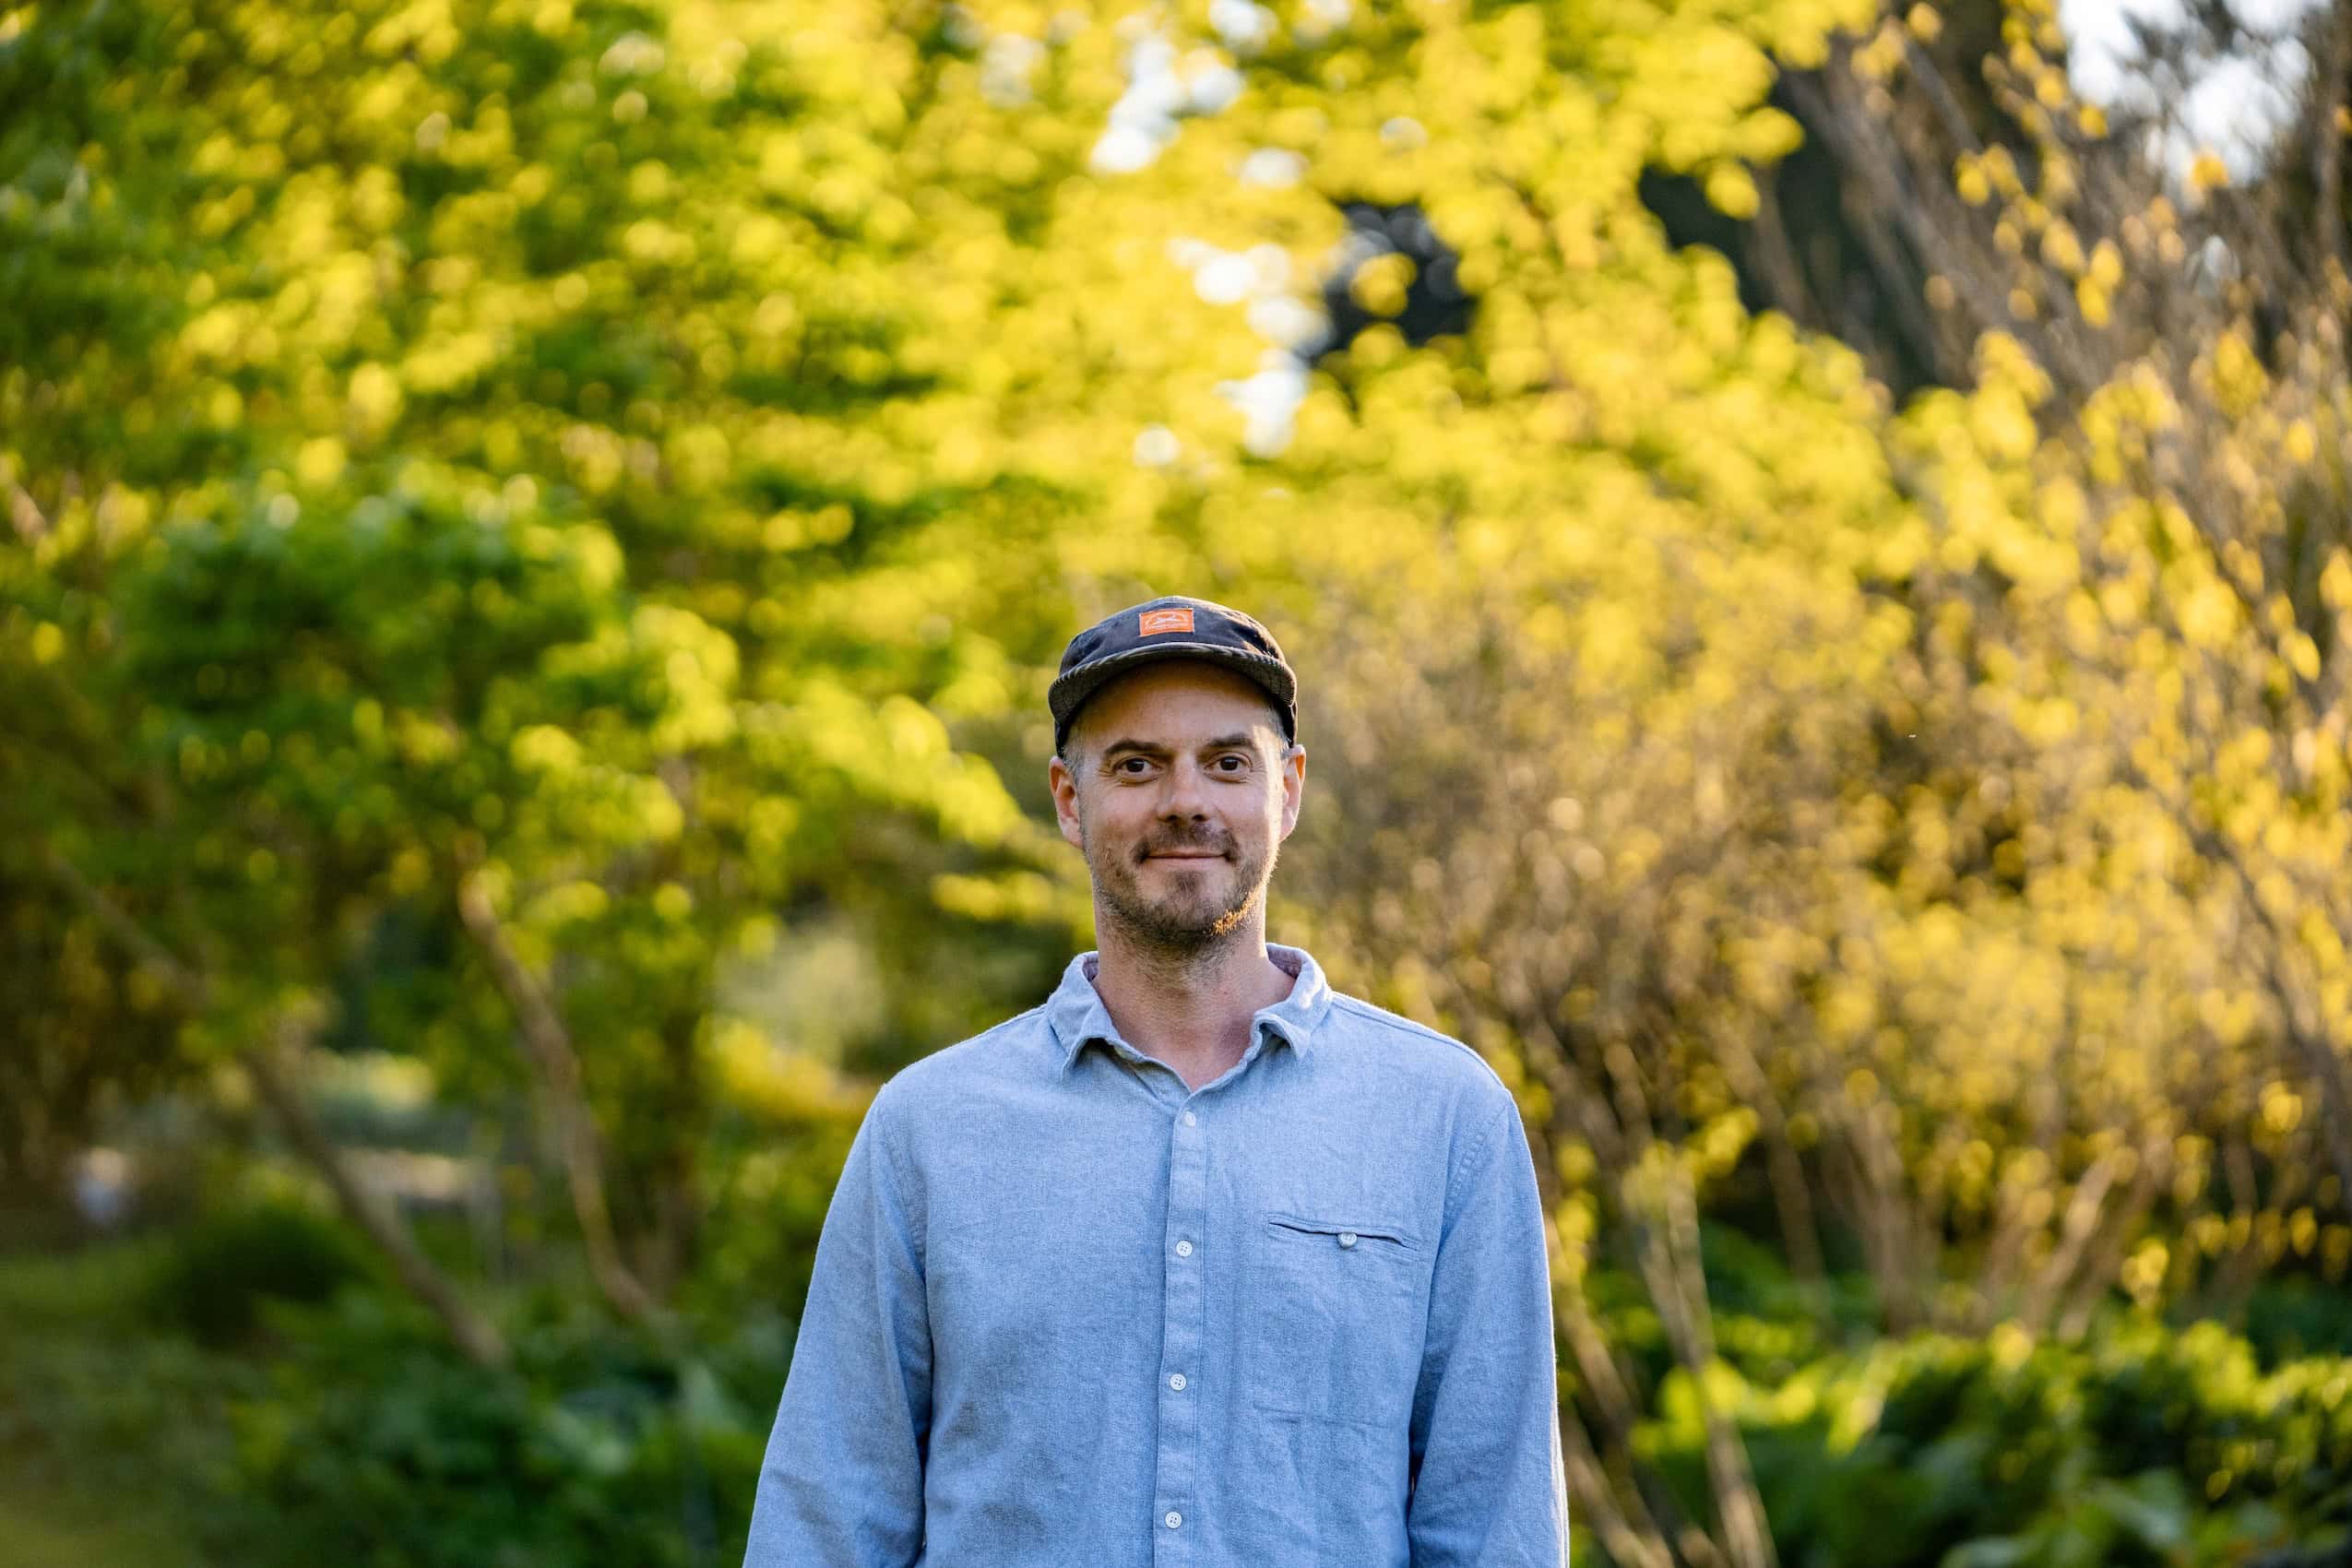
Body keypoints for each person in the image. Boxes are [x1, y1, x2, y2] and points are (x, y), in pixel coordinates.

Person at [742, 594, 1569, 1566]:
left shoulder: (1447, 1119)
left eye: (1228, 762)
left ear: (1290, 790)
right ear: (1067, 797)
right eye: (1137, 764)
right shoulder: (927, 1129)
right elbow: (831, 1516)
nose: (1187, 798)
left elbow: (1494, 1527)